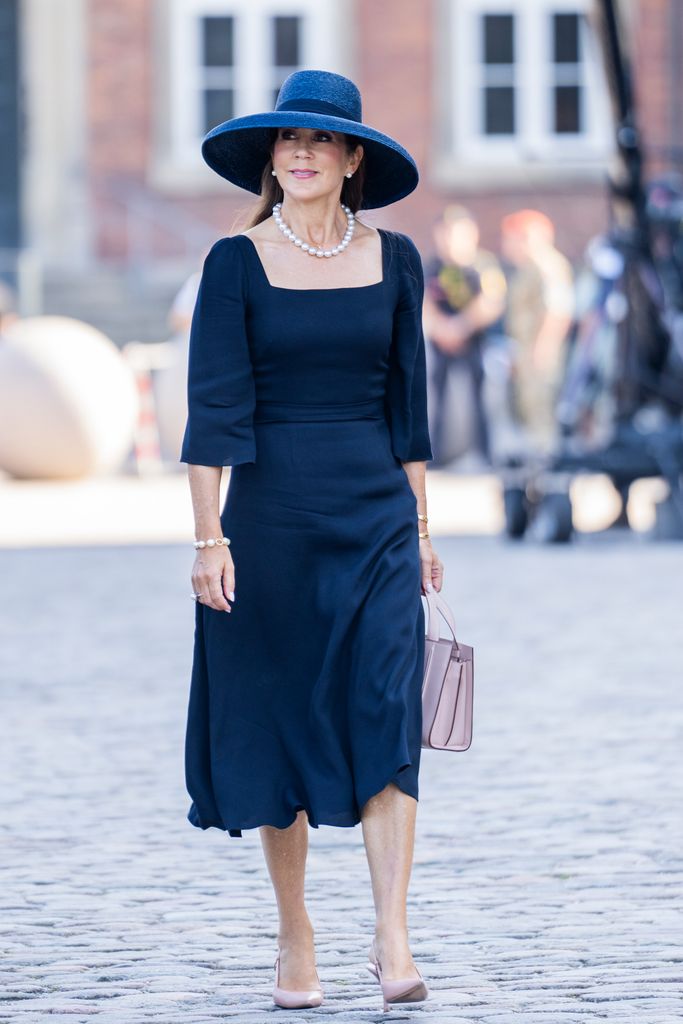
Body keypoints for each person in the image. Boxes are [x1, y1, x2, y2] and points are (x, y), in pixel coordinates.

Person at [178, 69, 444, 1012]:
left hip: (374, 519)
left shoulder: (397, 258)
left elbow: (408, 407)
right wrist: (208, 539)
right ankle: (295, 936)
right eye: (286, 143)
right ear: (270, 162)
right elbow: (213, 410)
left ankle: (392, 932)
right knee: (279, 722)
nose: (299, 154)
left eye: (320, 141)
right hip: (271, 524)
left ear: (352, 159)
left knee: (386, 712)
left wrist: (419, 526)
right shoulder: (235, 262)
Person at [422, 205, 507, 466]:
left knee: (482, 399)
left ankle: (486, 454)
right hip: (441, 342)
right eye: (444, 234)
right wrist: (441, 328)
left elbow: (491, 302)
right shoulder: (432, 266)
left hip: (475, 341)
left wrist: (461, 327)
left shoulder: (482, 265)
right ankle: (437, 455)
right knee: (438, 397)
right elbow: (422, 299)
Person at [500, 209, 575, 456]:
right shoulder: (528, 268)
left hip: (540, 354)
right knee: (528, 408)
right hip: (527, 350)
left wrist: (543, 349)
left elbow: (557, 310)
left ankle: (548, 465)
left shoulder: (547, 266)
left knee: (541, 408)